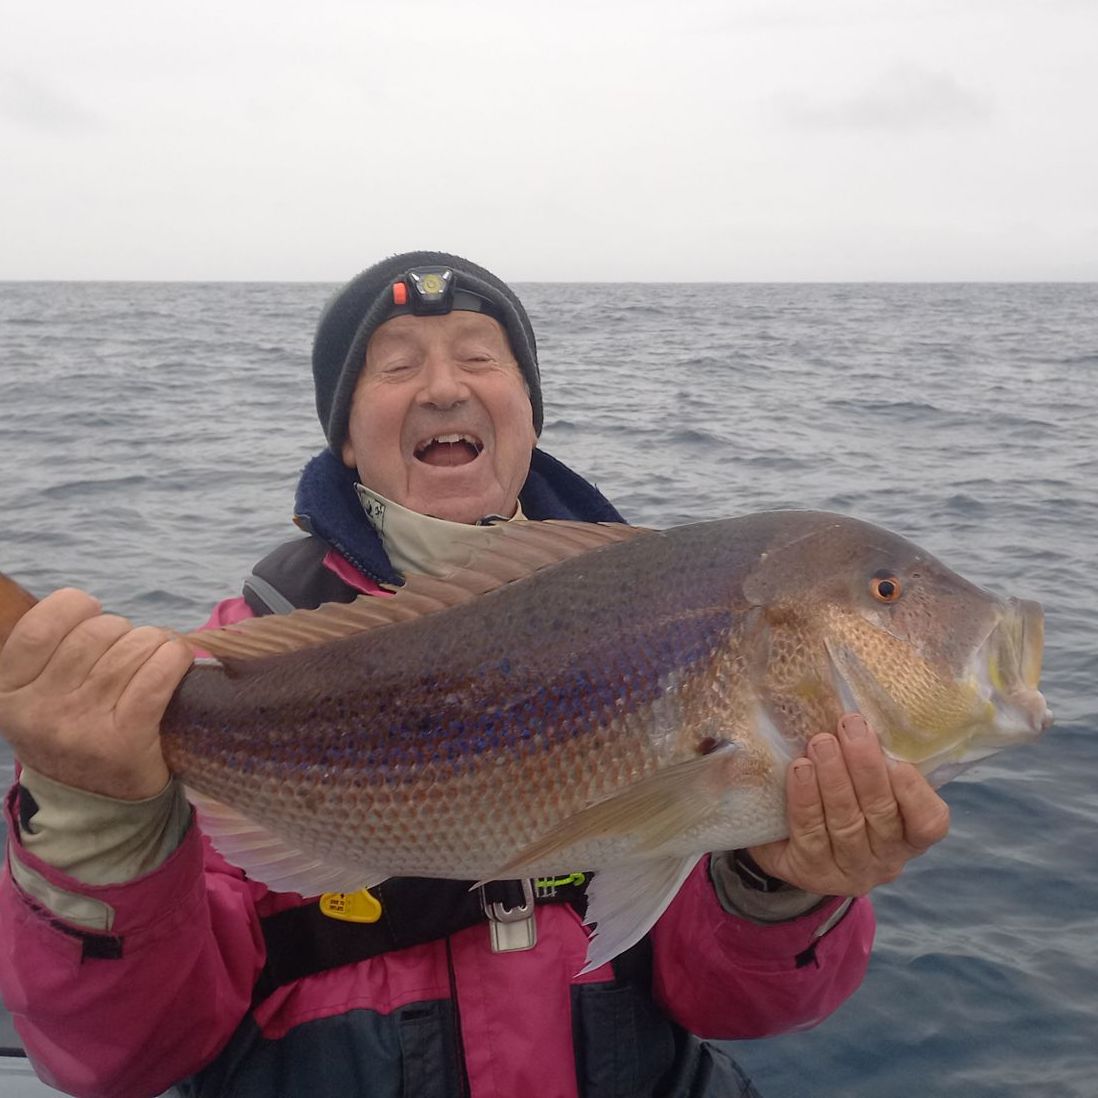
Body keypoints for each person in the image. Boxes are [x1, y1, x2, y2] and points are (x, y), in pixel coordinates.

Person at [0, 252, 950, 1098]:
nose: (444, 386)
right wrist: (98, 822)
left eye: (482, 357)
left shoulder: (668, 619)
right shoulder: (234, 668)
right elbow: (119, 1059)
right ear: (345, 435)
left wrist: (775, 886)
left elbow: (731, 1001)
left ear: (529, 414)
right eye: (398, 363)